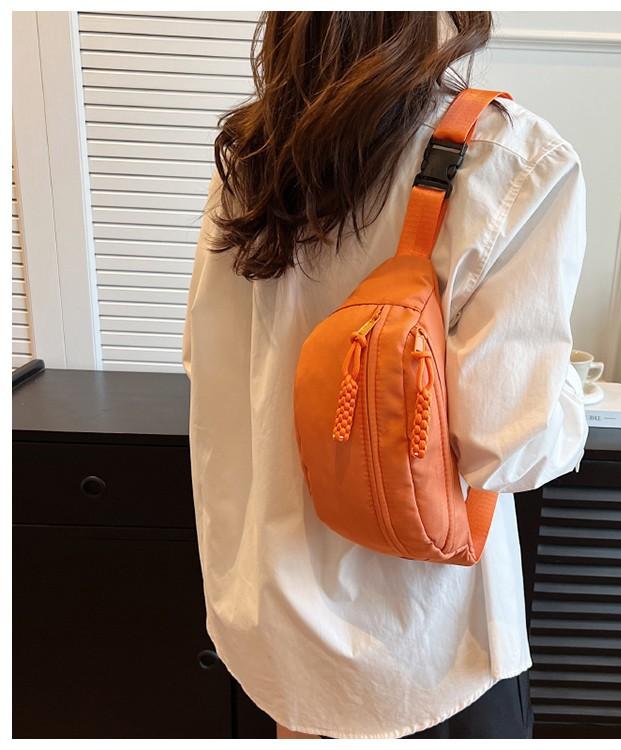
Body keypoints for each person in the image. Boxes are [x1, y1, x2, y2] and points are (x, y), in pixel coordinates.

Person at [182, 11, 588, 740]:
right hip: (423, 641)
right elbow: (509, 447)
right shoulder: (508, 159)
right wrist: (568, 392)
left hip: (274, 627)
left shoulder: (251, 154)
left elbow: (207, 362)